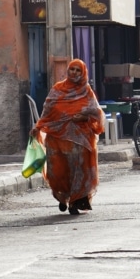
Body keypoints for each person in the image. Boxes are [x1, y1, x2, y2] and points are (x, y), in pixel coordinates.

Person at [30, 59, 105, 215]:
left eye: (78, 70)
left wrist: (84, 117)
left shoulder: (87, 91)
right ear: (68, 71)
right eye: (72, 69)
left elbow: (96, 112)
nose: (75, 73)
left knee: (80, 171)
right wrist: (38, 126)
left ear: (83, 73)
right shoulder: (57, 89)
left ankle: (75, 202)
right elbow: (48, 110)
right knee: (58, 172)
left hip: (81, 139)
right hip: (58, 139)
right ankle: (63, 197)